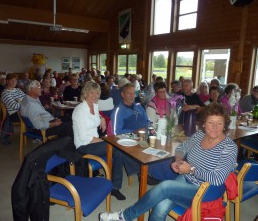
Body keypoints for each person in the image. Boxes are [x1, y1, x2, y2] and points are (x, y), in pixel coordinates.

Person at [99, 103, 238, 221]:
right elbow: (181, 148)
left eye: (219, 123)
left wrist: (191, 169)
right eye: (210, 122)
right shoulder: (200, 135)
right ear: (203, 123)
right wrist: (178, 161)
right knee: (160, 206)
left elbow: (218, 179)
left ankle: (124, 216)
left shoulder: (229, 147)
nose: (214, 127)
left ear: (225, 124)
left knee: (164, 187)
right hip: (186, 179)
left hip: (205, 191)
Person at [72, 82, 138, 200]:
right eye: (92, 92)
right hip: (84, 146)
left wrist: (101, 118)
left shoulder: (95, 106)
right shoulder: (80, 110)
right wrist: (102, 140)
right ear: (85, 93)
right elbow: (83, 137)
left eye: (97, 93)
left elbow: (95, 118)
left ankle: (115, 187)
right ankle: (137, 172)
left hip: (95, 143)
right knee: (117, 147)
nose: (95, 95)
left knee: (119, 151)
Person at [0, 73, 26, 145]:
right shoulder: (5, 93)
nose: (14, 82)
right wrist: (22, 101)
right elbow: (15, 106)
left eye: (15, 80)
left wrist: (19, 101)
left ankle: (36, 132)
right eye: (12, 80)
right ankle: (36, 134)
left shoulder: (18, 90)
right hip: (14, 114)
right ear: (7, 81)